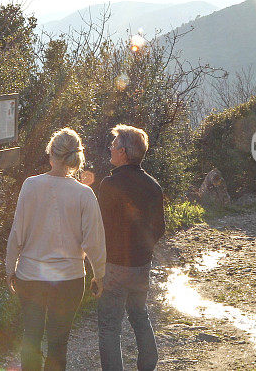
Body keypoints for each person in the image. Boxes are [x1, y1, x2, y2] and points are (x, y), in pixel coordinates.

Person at [5, 128, 107, 371]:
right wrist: (99, 274)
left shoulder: (30, 185)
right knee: (58, 344)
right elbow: (94, 241)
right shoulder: (85, 194)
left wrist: (10, 268)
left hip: (30, 276)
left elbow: (17, 233)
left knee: (31, 338)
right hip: (69, 279)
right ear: (77, 159)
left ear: (50, 154)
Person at [97, 124, 165, 371]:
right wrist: (142, 251)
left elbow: (100, 226)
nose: (111, 149)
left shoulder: (109, 184)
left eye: (114, 145)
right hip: (141, 265)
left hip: (114, 265)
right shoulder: (153, 186)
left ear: (123, 152)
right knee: (139, 315)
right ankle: (148, 366)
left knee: (109, 326)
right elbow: (159, 229)